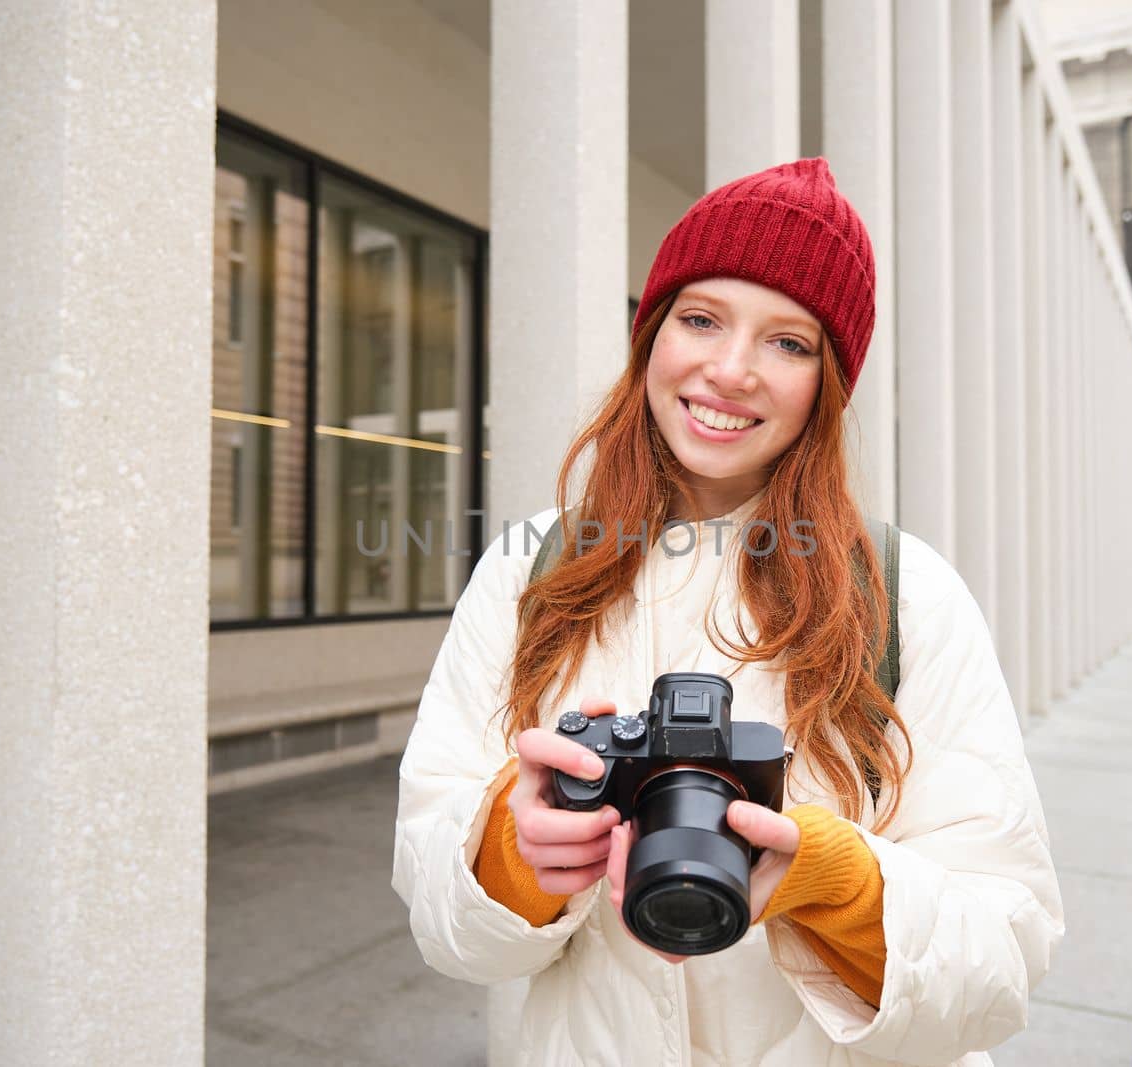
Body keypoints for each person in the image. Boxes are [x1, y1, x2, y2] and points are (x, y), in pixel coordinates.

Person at [392, 157, 1063, 1066]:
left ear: (830, 382)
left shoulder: (907, 593)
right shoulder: (531, 572)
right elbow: (443, 920)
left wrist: (834, 881)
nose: (732, 369)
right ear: (652, 334)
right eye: (701, 319)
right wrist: (514, 855)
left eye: (790, 343)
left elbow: (1004, 956)